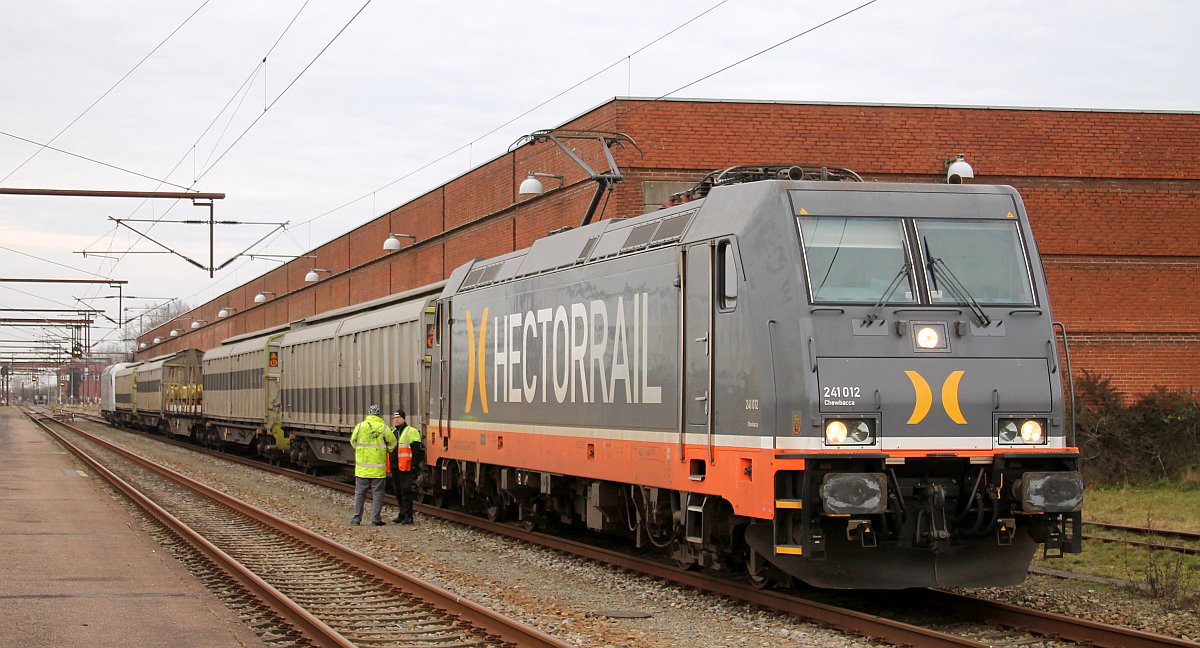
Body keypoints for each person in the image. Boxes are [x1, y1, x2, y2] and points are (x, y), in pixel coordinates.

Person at [350, 404, 397, 526]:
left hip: (362, 469)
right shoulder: (383, 428)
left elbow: (353, 441)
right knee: (378, 494)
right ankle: (376, 519)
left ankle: (356, 519)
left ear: (368, 414)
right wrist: (386, 450)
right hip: (378, 469)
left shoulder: (360, 426)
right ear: (378, 414)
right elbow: (393, 443)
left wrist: (360, 450)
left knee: (360, 494)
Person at [388, 409, 424, 524]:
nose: (396, 420)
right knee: (398, 492)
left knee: (406, 492)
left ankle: (409, 516)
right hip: (395, 468)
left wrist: (414, 466)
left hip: (406, 468)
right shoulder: (393, 433)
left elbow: (416, 451)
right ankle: (402, 514)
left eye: (398, 418)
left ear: (404, 418)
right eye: (395, 418)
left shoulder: (411, 431)